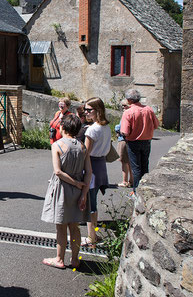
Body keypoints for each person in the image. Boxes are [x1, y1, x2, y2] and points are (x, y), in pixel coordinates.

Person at [41, 114, 91, 269]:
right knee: (74, 226)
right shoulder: (82, 147)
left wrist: (75, 183)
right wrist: (83, 192)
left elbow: (58, 172)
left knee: (61, 226)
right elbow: (89, 172)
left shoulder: (57, 145)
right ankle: (75, 259)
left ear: (62, 127)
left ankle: (59, 259)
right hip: (79, 190)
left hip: (63, 188)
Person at [83, 97, 111, 247]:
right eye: (85, 109)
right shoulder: (105, 127)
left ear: (97, 111)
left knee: (90, 204)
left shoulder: (92, 129)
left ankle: (91, 237)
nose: (86, 112)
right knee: (93, 202)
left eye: (89, 110)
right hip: (101, 164)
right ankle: (93, 234)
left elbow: (86, 153)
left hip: (92, 165)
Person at [119, 89, 159, 193]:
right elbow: (156, 125)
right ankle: (145, 190)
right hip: (146, 141)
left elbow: (125, 131)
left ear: (129, 100)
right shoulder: (148, 109)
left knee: (136, 168)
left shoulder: (128, 112)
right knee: (145, 166)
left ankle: (136, 191)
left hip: (133, 142)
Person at [115, 99, 133, 188]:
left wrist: (116, 128)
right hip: (130, 140)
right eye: (122, 106)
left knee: (124, 161)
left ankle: (125, 181)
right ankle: (131, 180)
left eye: (125, 105)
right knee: (129, 162)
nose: (123, 107)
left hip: (123, 140)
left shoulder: (126, 114)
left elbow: (121, 127)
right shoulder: (133, 113)